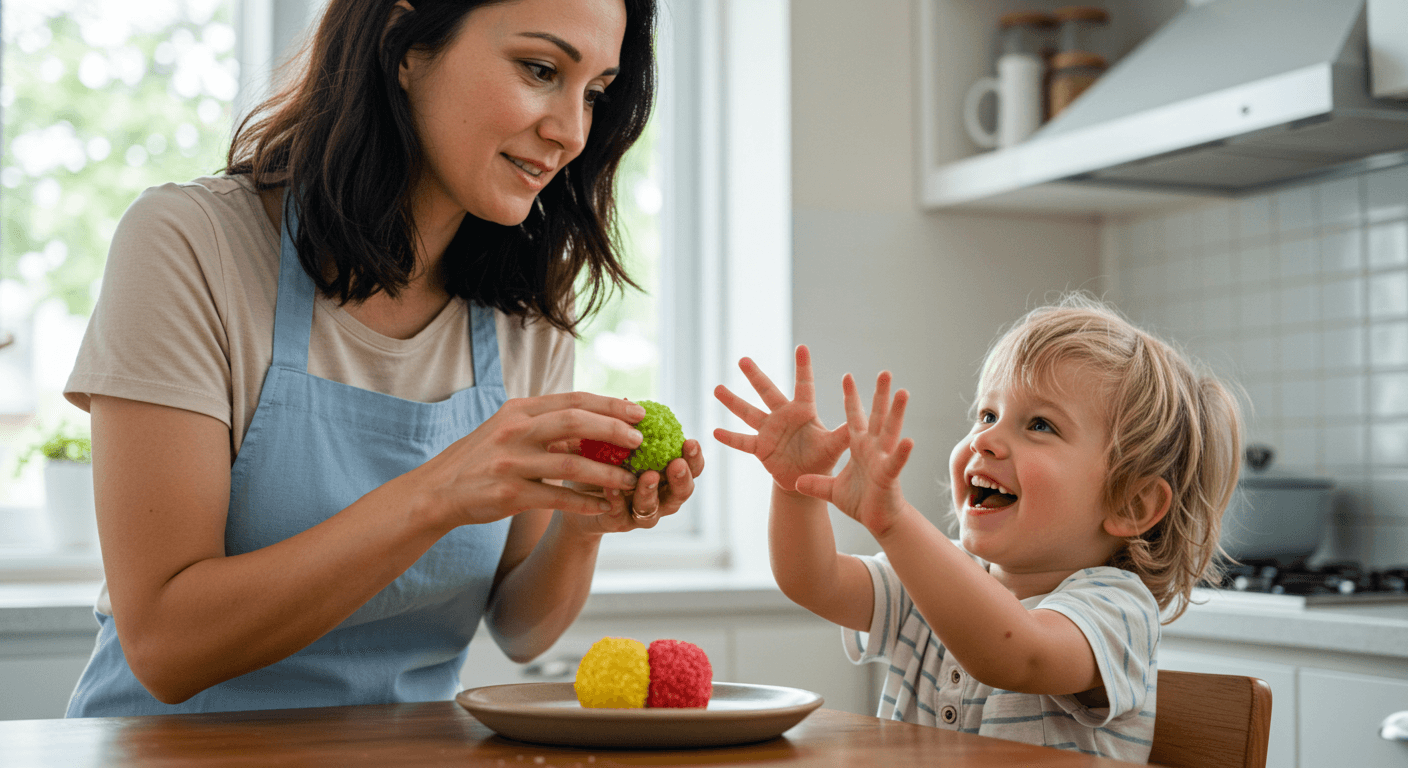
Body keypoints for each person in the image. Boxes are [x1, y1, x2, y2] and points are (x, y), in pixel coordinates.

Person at [62, 0, 703, 717]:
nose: (571, 131)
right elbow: (165, 649)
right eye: (540, 69)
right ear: (404, 39)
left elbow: (521, 628)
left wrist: (583, 523)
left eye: (594, 94)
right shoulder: (188, 245)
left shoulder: (525, 307)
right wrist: (439, 495)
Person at [713, 295, 1241, 762]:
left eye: (1040, 425)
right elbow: (814, 580)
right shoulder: (932, 579)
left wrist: (895, 523)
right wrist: (796, 487)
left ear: (1132, 502)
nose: (986, 440)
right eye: (987, 414)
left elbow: (1017, 654)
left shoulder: (1117, 610)